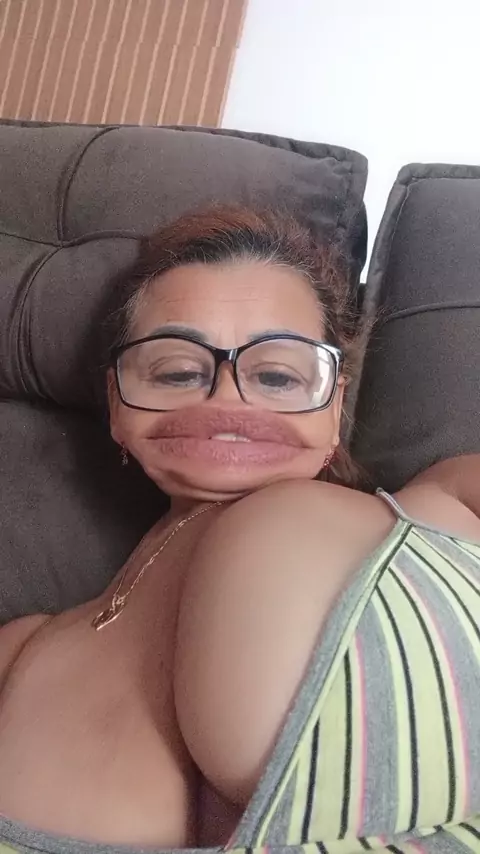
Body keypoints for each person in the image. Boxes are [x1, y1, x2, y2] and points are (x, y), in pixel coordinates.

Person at [0, 207, 479, 854]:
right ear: (116, 405)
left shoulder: (444, 497)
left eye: (277, 376)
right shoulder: (20, 654)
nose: (226, 398)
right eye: (177, 371)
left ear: (334, 406)